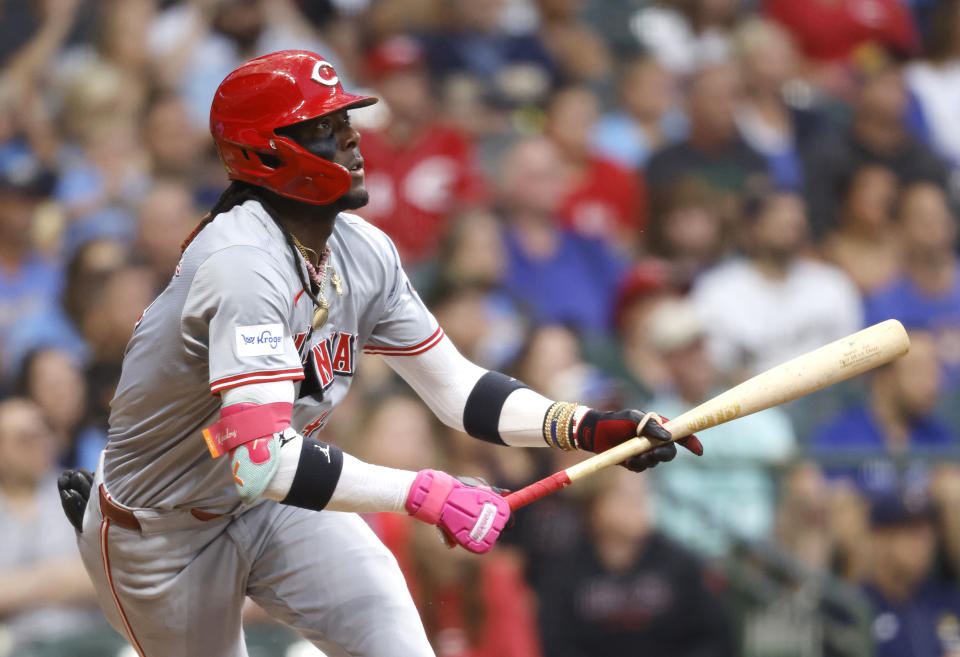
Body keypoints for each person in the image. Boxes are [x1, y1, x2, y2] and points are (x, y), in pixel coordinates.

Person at [56, 51, 701, 657]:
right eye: (324, 127)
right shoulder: (240, 265)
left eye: (346, 120)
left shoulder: (364, 250)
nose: (353, 138)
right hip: (164, 532)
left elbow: (459, 391)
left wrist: (585, 427)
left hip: (269, 506)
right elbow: (260, 461)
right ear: (266, 153)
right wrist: (422, 491)